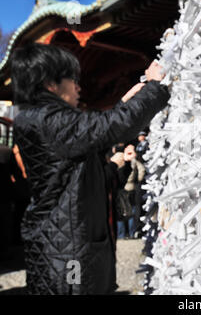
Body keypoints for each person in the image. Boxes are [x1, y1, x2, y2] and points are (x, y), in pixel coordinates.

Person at [11, 43, 170, 295]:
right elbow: (116, 126)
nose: (78, 87)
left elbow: (87, 164)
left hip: (66, 247)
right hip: (67, 257)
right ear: (50, 84)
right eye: (72, 79)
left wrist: (115, 163)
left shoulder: (46, 121)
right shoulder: (49, 120)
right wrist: (155, 86)